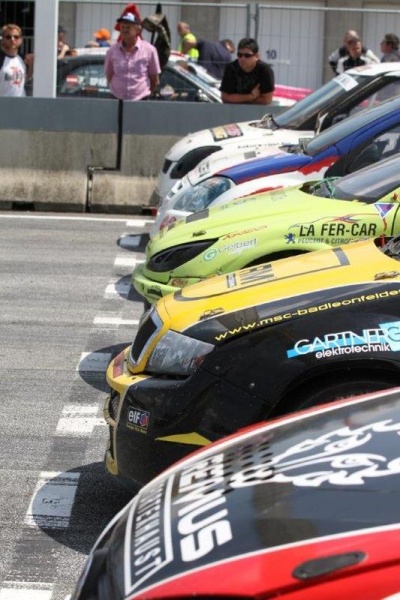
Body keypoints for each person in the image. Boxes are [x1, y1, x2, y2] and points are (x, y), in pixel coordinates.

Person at [104, 12, 161, 101]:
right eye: (122, 27)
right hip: (117, 100)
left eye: (128, 27)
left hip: (141, 100)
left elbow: (155, 80)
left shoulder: (149, 50)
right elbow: (109, 76)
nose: (124, 30)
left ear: (138, 29)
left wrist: (143, 94)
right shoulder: (112, 51)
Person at [220, 37, 274, 104]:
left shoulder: (265, 71)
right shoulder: (231, 68)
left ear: (257, 56)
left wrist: (237, 99)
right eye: (239, 55)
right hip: (234, 109)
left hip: (257, 110)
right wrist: (251, 96)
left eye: (247, 55)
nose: (243, 58)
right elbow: (225, 98)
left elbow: (266, 100)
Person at [0, 23, 33, 97]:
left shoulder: (23, 59)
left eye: (16, 37)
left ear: (21, 40)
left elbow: (26, 78)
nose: (12, 39)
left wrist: (31, 65)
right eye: (8, 37)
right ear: (2, 40)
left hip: (21, 102)